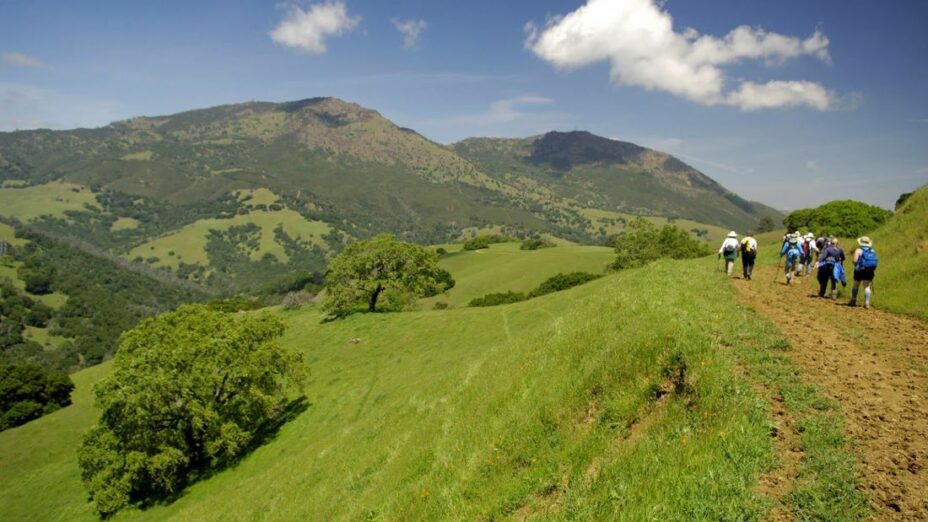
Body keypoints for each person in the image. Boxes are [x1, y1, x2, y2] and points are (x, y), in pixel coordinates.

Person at [849, 236, 878, 308]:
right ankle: (867, 303)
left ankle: (853, 299)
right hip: (870, 270)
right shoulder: (872, 251)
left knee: (856, 284)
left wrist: (856, 264)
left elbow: (855, 261)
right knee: (867, 286)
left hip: (860, 269)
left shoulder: (858, 250)